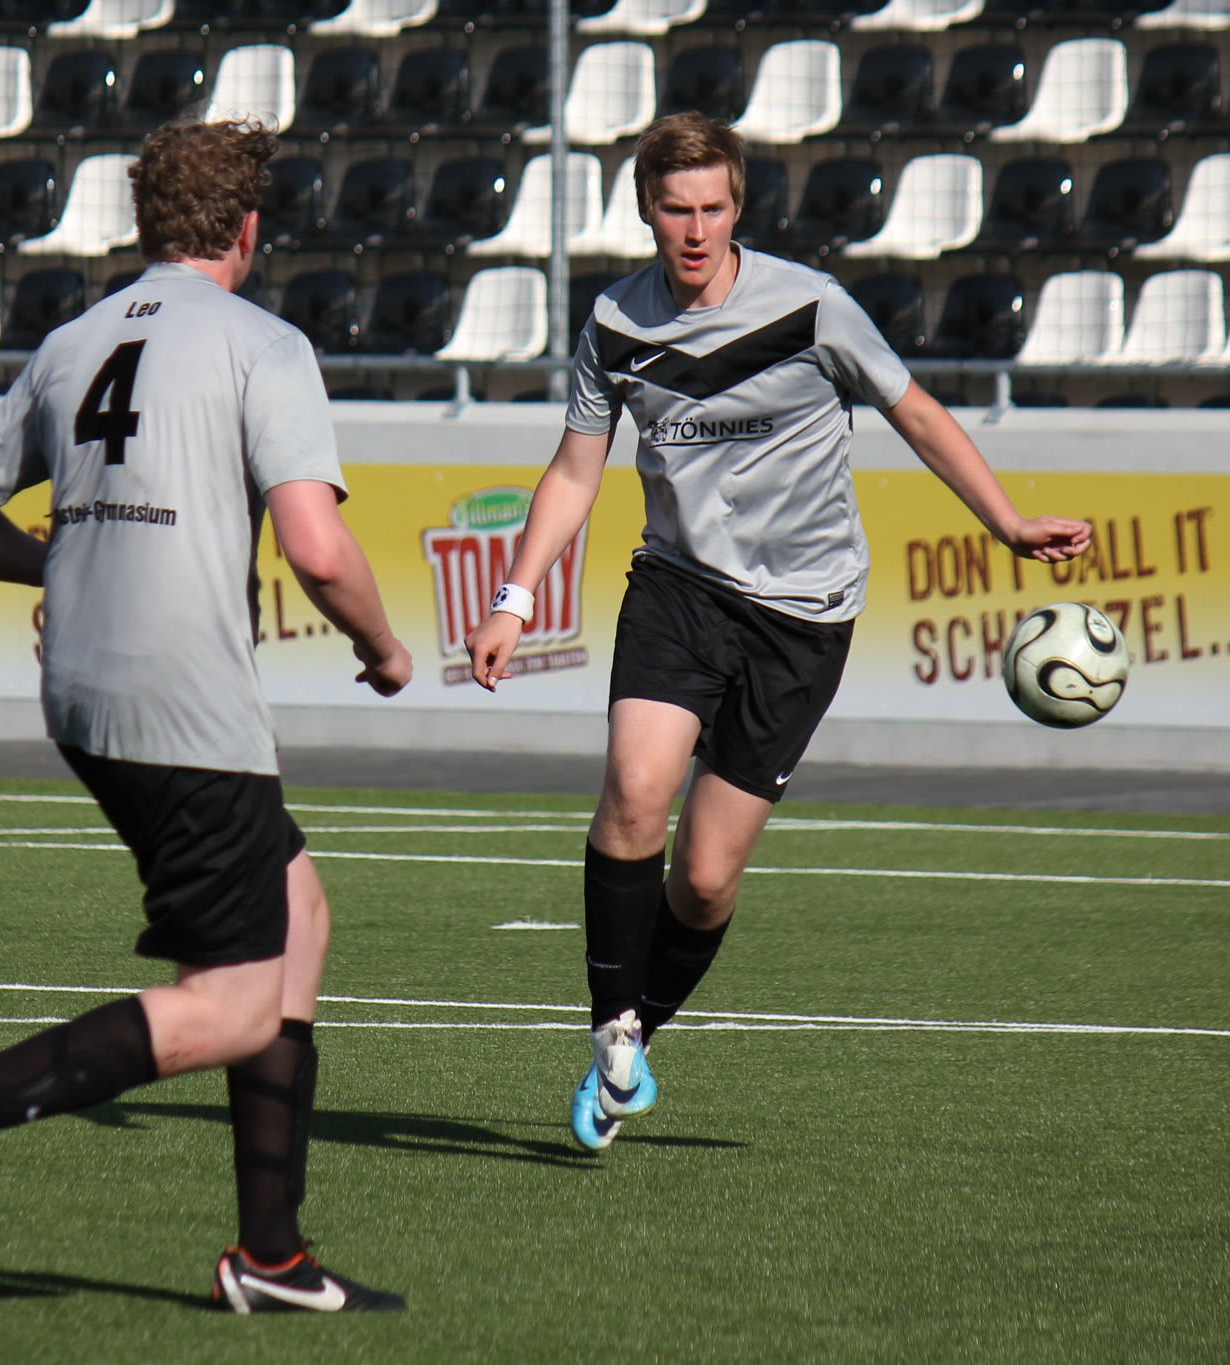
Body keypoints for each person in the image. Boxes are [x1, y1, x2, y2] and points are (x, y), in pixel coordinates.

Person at [464, 113, 1093, 1154]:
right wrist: (514, 598)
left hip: (804, 616)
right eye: (676, 208)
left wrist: (1007, 522)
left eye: (712, 208)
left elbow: (915, 412)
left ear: (737, 207)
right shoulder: (615, 322)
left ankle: (636, 1039)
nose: (695, 229)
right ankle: (612, 1026)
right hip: (678, 590)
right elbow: (575, 470)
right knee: (633, 790)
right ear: (646, 209)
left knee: (706, 879)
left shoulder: (812, 307)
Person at [0, 118, 414, 1315]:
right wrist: (382, 648)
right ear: (249, 229)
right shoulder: (262, 344)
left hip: (81, 694)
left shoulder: (74, 341)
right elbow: (319, 549)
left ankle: (269, 1256)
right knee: (233, 1003)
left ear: (145, 224)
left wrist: (60, 564)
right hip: (184, 701)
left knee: (297, 914)